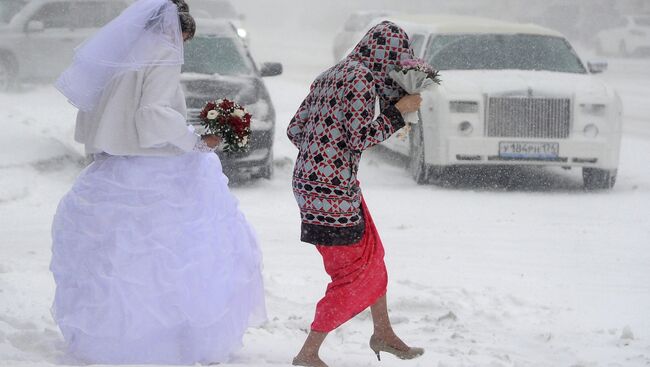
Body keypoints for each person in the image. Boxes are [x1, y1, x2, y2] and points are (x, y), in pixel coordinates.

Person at [49, 0, 265, 364]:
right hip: (156, 169)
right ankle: (170, 343)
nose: (183, 46)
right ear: (175, 31)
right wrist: (195, 138)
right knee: (175, 259)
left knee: (121, 262)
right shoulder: (164, 52)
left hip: (115, 169)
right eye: (184, 38)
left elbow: (103, 108)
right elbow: (152, 113)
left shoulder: (122, 52)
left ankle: (115, 341)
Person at [286, 21, 424, 367]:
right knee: (356, 275)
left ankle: (383, 332)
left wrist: (323, 152)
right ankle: (308, 353)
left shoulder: (330, 74)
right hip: (332, 193)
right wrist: (398, 113)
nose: (395, 65)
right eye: (396, 57)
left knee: (372, 256)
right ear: (387, 54)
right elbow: (360, 137)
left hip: (314, 184)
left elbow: (295, 128)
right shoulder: (361, 78)